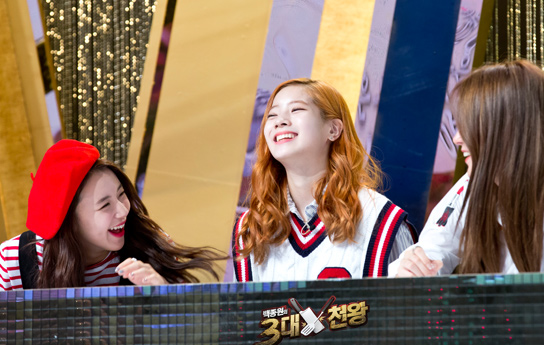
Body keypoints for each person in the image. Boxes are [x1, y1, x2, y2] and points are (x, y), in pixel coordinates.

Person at [392, 60, 544, 277]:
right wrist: (411, 267)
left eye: (468, 127)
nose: (456, 138)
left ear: (506, 130)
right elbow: (429, 253)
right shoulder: (471, 186)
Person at [232, 78, 415, 282]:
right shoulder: (250, 226)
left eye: (296, 109)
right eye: (272, 115)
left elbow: (412, 300)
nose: (279, 121)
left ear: (333, 129)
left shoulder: (382, 219)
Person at [0, 139, 225, 290]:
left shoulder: (149, 244)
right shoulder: (14, 261)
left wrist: (163, 293)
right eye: (105, 205)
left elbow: (193, 332)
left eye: (121, 195)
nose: (123, 210)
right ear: (70, 221)